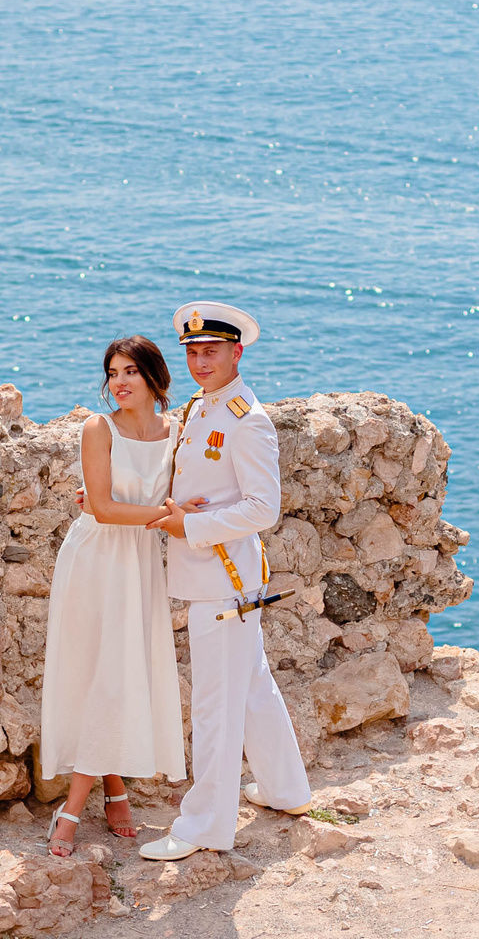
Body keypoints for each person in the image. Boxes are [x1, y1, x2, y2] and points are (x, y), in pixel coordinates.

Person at [139, 300, 312, 859]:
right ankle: (286, 790)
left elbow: (264, 508)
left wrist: (189, 526)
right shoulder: (202, 406)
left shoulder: (246, 420)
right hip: (220, 578)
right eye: (193, 352)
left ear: (237, 352)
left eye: (211, 351)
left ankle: (205, 827)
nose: (200, 362)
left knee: (216, 706)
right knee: (253, 685)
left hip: (223, 579)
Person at [37, 337, 188, 857]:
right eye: (112, 372)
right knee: (98, 673)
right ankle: (76, 806)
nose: (119, 382)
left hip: (139, 562)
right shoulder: (98, 428)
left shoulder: (178, 433)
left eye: (130, 371)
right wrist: (167, 516)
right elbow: (101, 508)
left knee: (120, 673)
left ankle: (115, 785)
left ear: (154, 377)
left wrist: (168, 513)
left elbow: (189, 496)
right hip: (95, 558)